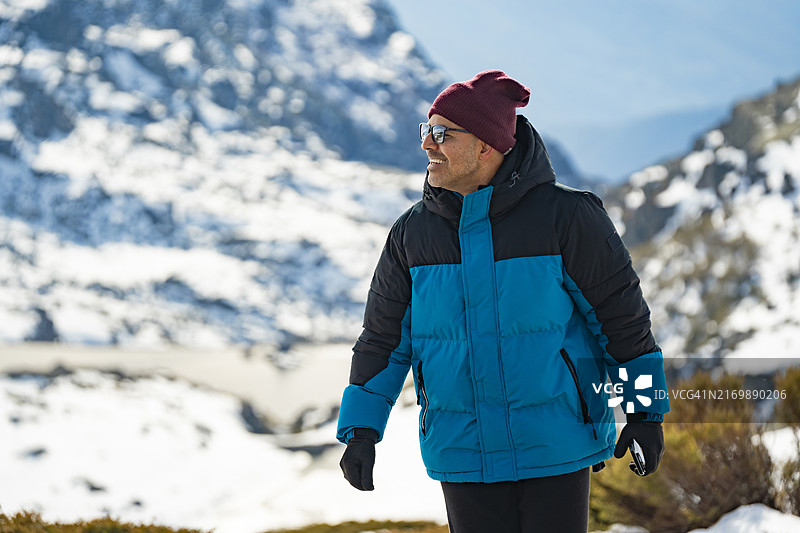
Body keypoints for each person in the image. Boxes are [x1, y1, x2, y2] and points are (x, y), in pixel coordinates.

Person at [336, 70, 670, 532]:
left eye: (441, 133)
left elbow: (622, 323)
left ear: (485, 147)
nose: (426, 144)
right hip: (462, 450)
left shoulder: (567, 217)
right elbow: (383, 341)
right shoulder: (411, 235)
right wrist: (361, 430)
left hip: (555, 444)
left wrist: (644, 411)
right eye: (425, 130)